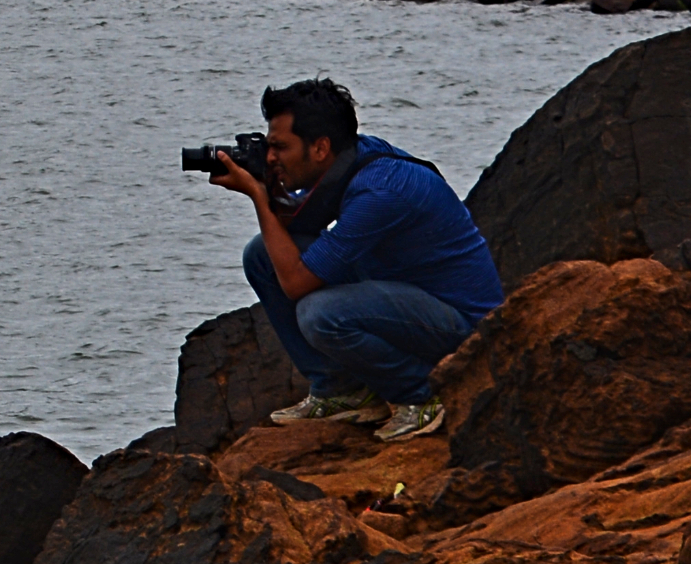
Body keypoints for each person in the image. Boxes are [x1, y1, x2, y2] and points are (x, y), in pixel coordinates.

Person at [207, 76, 505, 441]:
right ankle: (339, 390)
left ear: (319, 148)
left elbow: (296, 282)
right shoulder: (355, 156)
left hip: (460, 323)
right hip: (405, 293)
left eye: (280, 148)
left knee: (319, 313)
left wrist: (257, 197)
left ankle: (419, 396)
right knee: (261, 254)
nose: (271, 158)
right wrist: (268, 187)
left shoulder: (381, 191)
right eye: (268, 147)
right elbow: (300, 221)